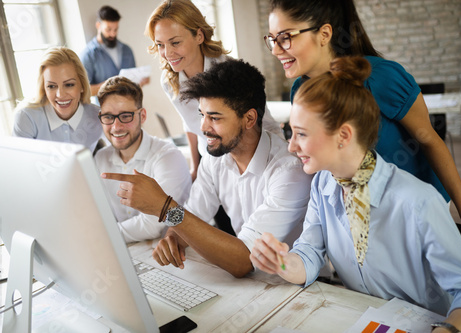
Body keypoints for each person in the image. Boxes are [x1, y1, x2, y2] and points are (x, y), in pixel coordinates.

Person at [251, 56, 461, 333]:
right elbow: (311, 251)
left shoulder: (418, 201)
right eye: (291, 133)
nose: (291, 146)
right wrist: (283, 264)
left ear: (343, 135)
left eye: (301, 134)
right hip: (365, 321)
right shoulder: (322, 184)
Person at [264, 0, 461, 234]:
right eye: (271, 39)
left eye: (285, 37)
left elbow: (428, 139)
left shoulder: (381, 77)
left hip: (415, 211)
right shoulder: (300, 90)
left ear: (324, 34)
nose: (276, 50)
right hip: (362, 212)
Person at [102, 59, 312, 277]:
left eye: (214, 117)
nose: (203, 127)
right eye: (202, 115)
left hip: (300, 289)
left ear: (249, 119)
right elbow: (193, 216)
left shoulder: (289, 171)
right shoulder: (216, 159)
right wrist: (173, 238)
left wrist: (164, 208)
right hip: (254, 283)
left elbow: (243, 260)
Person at [145, 0, 281, 181]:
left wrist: (279, 164)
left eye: (175, 42)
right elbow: (190, 124)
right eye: (160, 45)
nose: (167, 53)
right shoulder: (169, 81)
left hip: (251, 161)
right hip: (212, 162)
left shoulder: (230, 72)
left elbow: (265, 123)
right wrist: (195, 168)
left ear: (199, 36)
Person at [94, 76, 191, 242]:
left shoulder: (168, 157)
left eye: (125, 116)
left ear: (142, 116)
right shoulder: (100, 158)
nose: (116, 127)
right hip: (129, 251)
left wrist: (103, 237)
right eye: (108, 117)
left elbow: (154, 224)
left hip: (176, 252)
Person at [13, 46, 102, 153]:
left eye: (69, 85)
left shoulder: (98, 116)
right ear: (44, 88)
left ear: (82, 85)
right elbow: (22, 164)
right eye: (51, 86)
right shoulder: (27, 118)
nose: (60, 95)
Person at [80, 5, 149, 99]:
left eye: (115, 29)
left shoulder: (127, 50)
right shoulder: (88, 55)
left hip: (131, 107)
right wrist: (110, 85)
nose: (113, 34)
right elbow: (84, 90)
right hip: (106, 111)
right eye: (108, 30)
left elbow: (133, 84)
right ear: (98, 26)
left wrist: (140, 82)